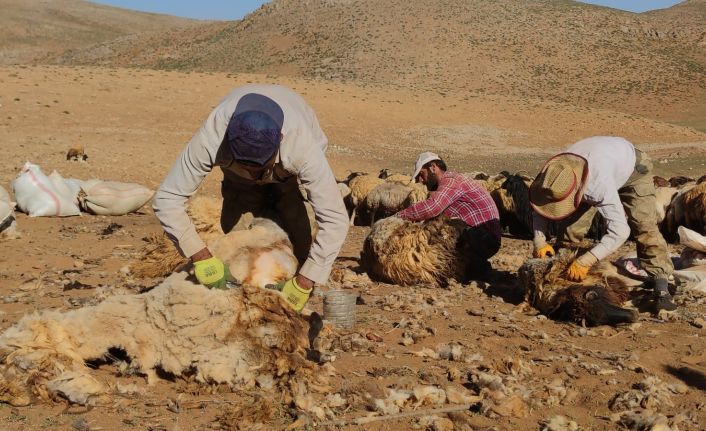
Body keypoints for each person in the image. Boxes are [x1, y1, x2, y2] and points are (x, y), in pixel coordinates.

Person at [152, 84, 349, 312]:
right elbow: (167, 199)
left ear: (280, 140)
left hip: (286, 175)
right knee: (238, 240)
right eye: (248, 167)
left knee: (300, 240)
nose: (256, 176)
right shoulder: (212, 137)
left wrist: (305, 281)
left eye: (259, 168)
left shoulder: (302, 147)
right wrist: (202, 258)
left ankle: (291, 307)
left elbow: (335, 220)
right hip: (238, 179)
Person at [529, 136, 676, 312]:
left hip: (633, 169)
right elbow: (539, 207)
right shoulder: (552, 175)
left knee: (644, 226)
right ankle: (564, 275)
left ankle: (661, 286)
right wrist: (540, 240)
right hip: (597, 166)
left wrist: (587, 260)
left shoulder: (597, 187)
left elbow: (620, 231)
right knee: (570, 229)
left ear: (577, 191)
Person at [395, 152, 501, 279]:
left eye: (422, 174)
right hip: (479, 235)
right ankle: (471, 265)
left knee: (436, 257)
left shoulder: (451, 180)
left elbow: (432, 207)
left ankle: (475, 267)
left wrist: (398, 217)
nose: (421, 181)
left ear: (433, 167)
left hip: (483, 236)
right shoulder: (447, 185)